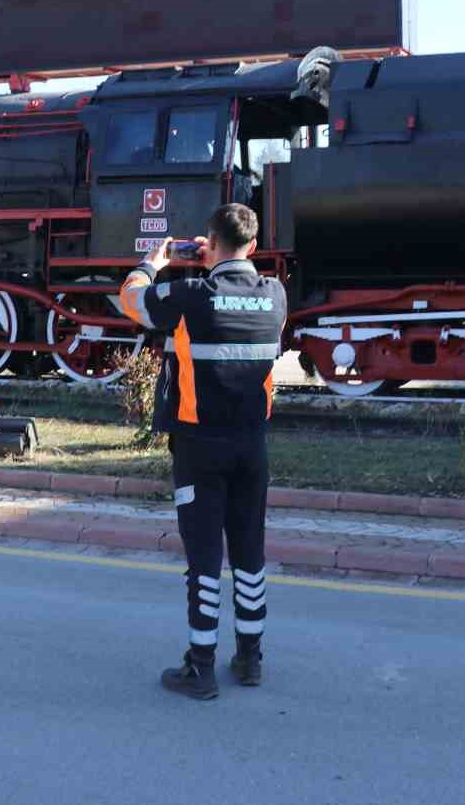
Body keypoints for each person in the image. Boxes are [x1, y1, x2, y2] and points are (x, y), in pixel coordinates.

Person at [119, 203, 287, 700]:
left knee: (205, 559)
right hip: (251, 445)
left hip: (198, 445)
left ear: (208, 244)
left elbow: (131, 300)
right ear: (254, 248)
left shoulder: (191, 294)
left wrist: (155, 261)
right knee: (250, 552)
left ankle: (200, 667)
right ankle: (251, 657)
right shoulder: (275, 294)